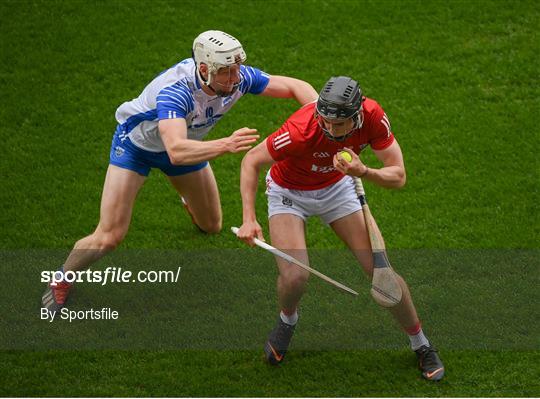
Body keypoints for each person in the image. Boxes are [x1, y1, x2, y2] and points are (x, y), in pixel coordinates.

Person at [41, 30, 318, 312]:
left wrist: (318, 117)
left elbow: (295, 86)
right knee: (110, 236)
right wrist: (226, 144)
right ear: (203, 69)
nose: (235, 79)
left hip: (189, 146)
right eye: (226, 72)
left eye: (236, 69)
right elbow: (176, 151)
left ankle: (187, 198)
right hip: (137, 149)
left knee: (212, 226)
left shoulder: (237, 77)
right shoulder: (176, 92)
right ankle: (61, 278)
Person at [237, 76, 445, 381]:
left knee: (380, 271)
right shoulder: (300, 130)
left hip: (337, 187)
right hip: (288, 192)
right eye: (326, 121)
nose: (331, 130)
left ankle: (421, 344)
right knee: (295, 276)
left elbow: (398, 175)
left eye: (340, 124)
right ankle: (288, 319)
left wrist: (364, 171)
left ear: (357, 115)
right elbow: (251, 160)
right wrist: (248, 218)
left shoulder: (373, 117)